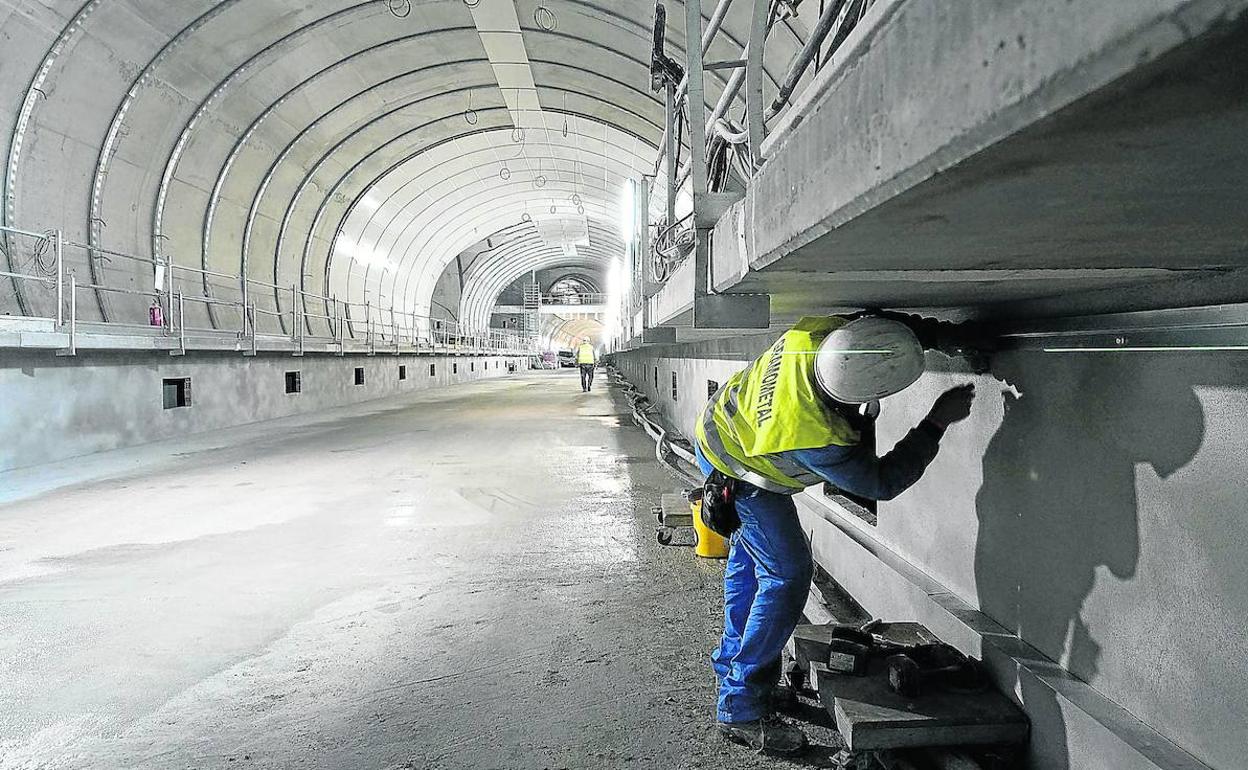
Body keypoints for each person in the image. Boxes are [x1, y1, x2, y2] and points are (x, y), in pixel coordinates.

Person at [694, 314, 979, 753]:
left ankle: (737, 670)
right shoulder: (816, 434)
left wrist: (947, 337)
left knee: (751, 568)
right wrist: (936, 422)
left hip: (719, 435)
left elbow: (880, 334)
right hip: (740, 475)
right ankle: (741, 707)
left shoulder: (814, 337)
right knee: (786, 576)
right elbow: (882, 481)